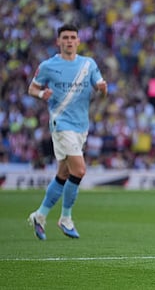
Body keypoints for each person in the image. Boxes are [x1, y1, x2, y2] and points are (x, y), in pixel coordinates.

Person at [27, 23, 108, 240]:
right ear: (58, 41)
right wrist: (41, 94)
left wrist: (102, 90)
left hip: (82, 126)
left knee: (63, 173)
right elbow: (32, 88)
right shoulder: (48, 66)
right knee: (79, 170)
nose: (69, 41)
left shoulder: (88, 64)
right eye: (65, 37)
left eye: (73, 37)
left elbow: (100, 88)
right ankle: (66, 217)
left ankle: (40, 215)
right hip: (61, 124)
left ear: (78, 41)